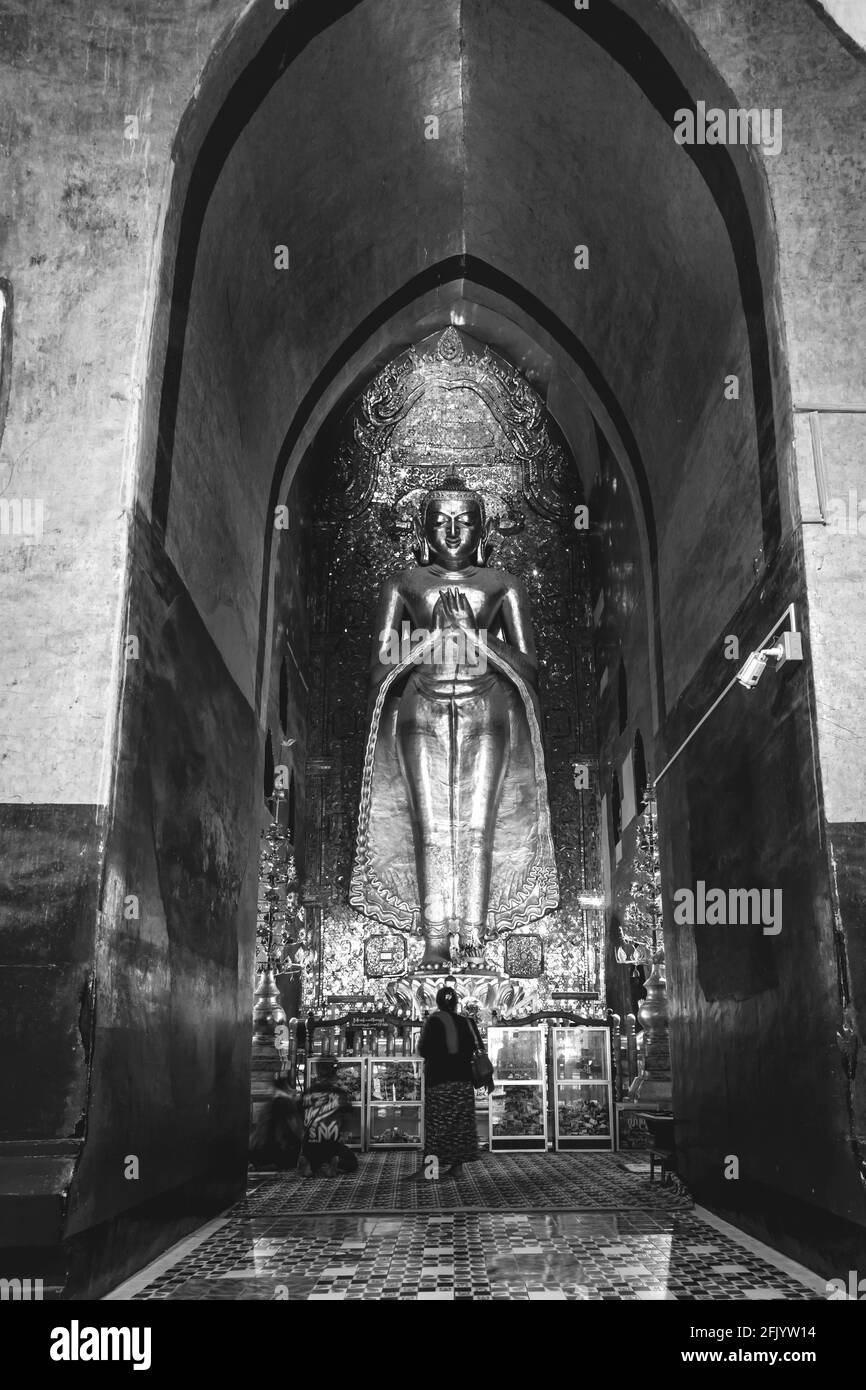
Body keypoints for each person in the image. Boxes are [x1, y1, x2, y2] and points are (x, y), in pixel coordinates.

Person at [414, 986, 480, 1178]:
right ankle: (457, 1167)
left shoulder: (434, 1021)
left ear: (438, 1002)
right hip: (463, 1082)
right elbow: (476, 1047)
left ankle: (429, 1169)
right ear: (456, 1003)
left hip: (440, 1082)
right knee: (459, 1126)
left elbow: (424, 1049)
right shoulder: (467, 1022)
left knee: (437, 1126)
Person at [299, 1058, 359, 1177]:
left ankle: (310, 1163)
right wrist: (343, 1135)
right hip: (331, 1145)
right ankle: (331, 1163)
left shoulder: (307, 1093)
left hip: (309, 1147)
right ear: (334, 1075)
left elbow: (298, 1119)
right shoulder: (339, 1094)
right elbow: (348, 1118)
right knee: (352, 1161)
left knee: (314, 1154)